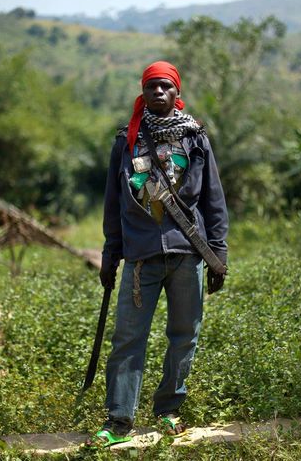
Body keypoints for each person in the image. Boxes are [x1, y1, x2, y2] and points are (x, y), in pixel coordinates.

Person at [89, 61, 229, 448]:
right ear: (143, 92)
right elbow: (114, 204)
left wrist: (219, 254)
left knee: (184, 335)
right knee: (128, 339)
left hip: (188, 254)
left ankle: (168, 410)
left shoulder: (195, 138)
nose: (158, 93)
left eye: (165, 87)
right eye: (152, 87)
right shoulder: (127, 141)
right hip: (140, 257)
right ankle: (118, 420)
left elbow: (213, 200)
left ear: (176, 92)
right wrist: (109, 255)